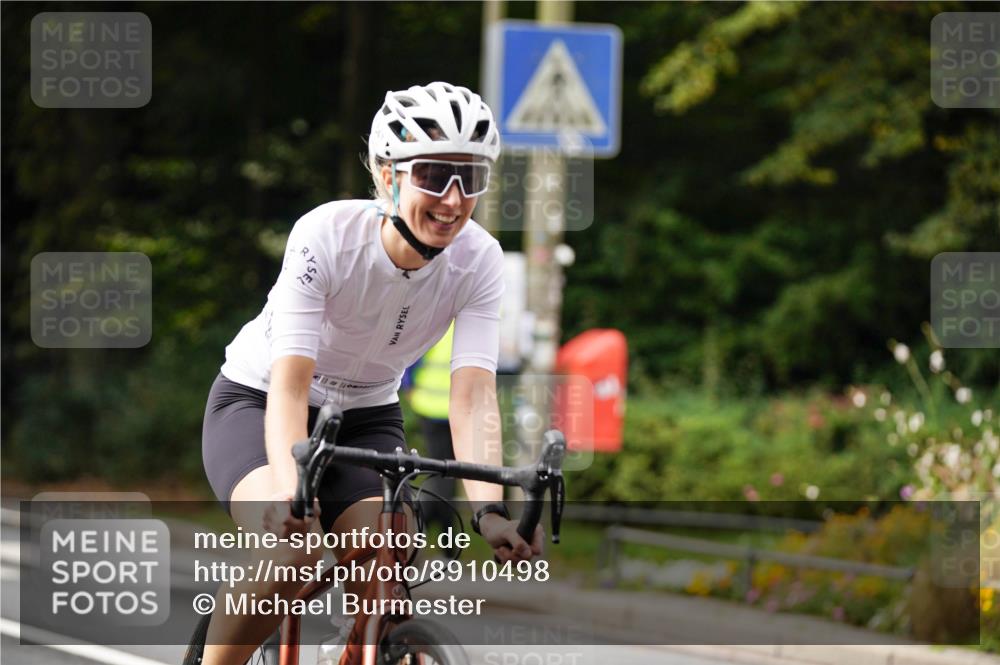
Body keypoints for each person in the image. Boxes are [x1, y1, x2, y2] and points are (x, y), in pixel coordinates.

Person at [200, 82, 543, 664]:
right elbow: (289, 382)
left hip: (366, 417)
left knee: (390, 554)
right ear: (389, 176)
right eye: (435, 175)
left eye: (472, 178)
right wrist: (291, 493)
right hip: (260, 403)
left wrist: (489, 510)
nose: (455, 199)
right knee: (293, 551)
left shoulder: (479, 259)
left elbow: (473, 395)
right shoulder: (326, 236)